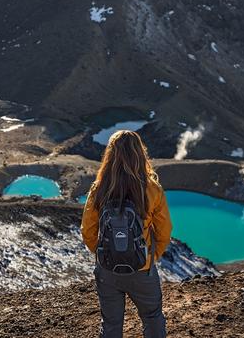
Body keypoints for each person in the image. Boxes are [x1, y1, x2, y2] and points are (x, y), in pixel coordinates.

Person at [81, 130, 172, 338]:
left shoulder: (99, 189)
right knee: (152, 317)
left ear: (110, 155)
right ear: (140, 154)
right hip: (142, 269)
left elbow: (87, 231)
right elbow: (164, 231)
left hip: (107, 270)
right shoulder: (152, 188)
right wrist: (150, 257)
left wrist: (105, 253)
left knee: (111, 324)